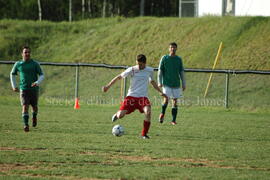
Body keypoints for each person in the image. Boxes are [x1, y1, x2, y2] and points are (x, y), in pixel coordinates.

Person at [102, 54, 167, 139]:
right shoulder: (132, 69)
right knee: (121, 115)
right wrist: (108, 86)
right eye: (137, 64)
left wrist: (160, 92)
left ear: (145, 63)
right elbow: (119, 77)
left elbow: (152, 82)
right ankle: (117, 114)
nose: (138, 66)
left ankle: (144, 134)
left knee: (148, 112)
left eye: (140, 64)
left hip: (142, 97)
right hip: (131, 96)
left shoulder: (149, 70)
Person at [10, 46, 44, 132]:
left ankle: (34, 116)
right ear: (22, 54)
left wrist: (37, 82)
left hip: (34, 89)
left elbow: (42, 75)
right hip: (24, 89)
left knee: (34, 107)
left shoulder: (35, 64)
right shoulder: (18, 64)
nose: (27, 54)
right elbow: (12, 74)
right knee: (25, 107)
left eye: (28, 52)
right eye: (25, 52)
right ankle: (26, 125)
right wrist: (14, 86)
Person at [158, 42, 186, 125]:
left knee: (175, 101)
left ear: (176, 48)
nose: (172, 49)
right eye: (171, 47)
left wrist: (183, 83)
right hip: (166, 83)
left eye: (174, 47)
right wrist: (159, 82)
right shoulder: (164, 58)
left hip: (176, 83)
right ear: (169, 48)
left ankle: (173, 120)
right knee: (166, 99)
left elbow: (181, 71)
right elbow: (160, 70)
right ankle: (162, 113)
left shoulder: (178, 59)